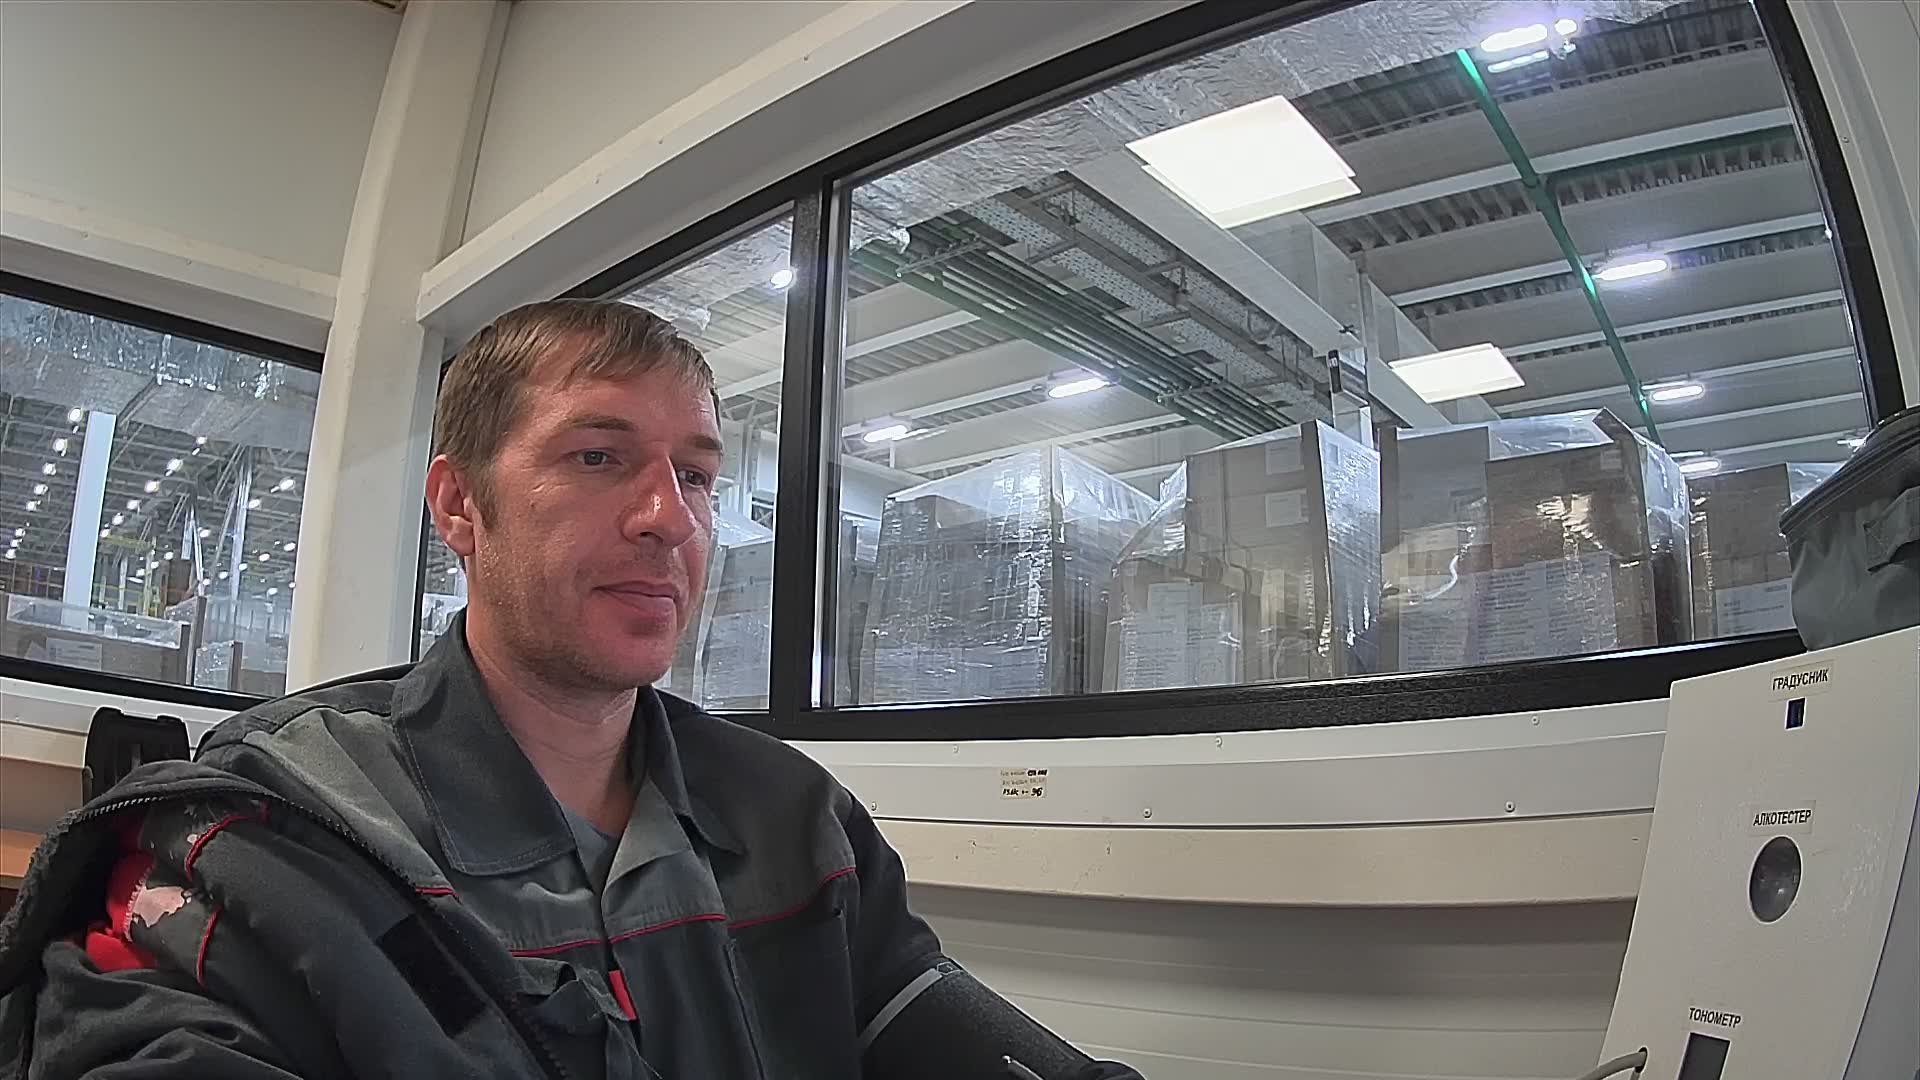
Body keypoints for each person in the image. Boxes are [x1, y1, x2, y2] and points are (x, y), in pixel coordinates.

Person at [0, 301, 1146, 1079]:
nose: (669, 519)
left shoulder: (797, 826)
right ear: (459, 505)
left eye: (695, 475)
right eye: (599, 457)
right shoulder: (261, 841)